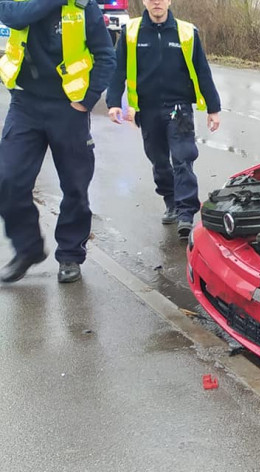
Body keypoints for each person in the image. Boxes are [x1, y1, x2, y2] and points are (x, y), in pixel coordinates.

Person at [0, 0, 115, 284]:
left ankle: (70, 255)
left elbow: (106, 56)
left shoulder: (82, 7)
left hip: (68, 108)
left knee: (75, 186)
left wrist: (87, 101)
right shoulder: (19, 3)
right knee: (8, 178)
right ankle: (27, 249)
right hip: (25, 103)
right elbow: (14, 17)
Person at [106, 0, 221, 241]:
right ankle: (171, 201)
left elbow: (202, 70)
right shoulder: (131, 32)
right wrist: (114, 101)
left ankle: (186, 213)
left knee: (183, 157)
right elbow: (118, 69)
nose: (156, 2)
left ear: (169, 1)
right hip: (147, 109)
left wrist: (214, 108)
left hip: (179, 107)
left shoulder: (187, 32)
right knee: (159, 161)